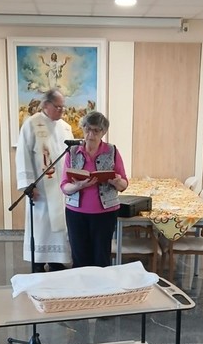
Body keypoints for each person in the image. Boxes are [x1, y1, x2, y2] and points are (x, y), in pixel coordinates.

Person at [15, 89, 74, 272]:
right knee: (40, 226)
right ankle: (38, 262)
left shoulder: (65, 127)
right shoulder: (31, 124)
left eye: (63, 107)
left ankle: (57, 260)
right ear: (46, 105)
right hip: (40, 187)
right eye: (57, 107)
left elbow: (71, 156)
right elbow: (23, 155)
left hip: (61, 187)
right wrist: (28, 184)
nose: (61, 110)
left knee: (60, 225)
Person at [60, 111, 128, 268]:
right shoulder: (72, 152)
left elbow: (124, 185)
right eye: (87, 129)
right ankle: (81, 285)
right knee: (79, 258)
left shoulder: (112, 151)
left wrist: (116, 181)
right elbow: (64, 186)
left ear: (103, 132)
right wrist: (78, 186)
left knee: (101, 258)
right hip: (76, 213)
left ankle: (101, 285)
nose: (90, 134)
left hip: (105, 214)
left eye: (96, 130)